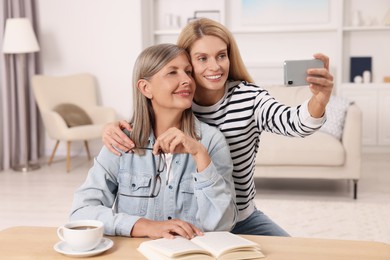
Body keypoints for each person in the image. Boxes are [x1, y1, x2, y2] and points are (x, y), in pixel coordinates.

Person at [102, 18, 334, 236]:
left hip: (240, 216)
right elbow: (147, 118)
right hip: (194, 218)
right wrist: (112, 128)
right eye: (202, 58)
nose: (215, 66)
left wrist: (319, 100)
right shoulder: (180, 98)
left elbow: (295, 123)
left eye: (221, 56)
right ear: (187, 61)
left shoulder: (248, 98)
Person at [70, 43, 237, 239]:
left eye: (188, 72)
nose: (187, 80)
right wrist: (145, 226)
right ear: (145, 88)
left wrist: (200, 155)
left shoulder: (210, 141)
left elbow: (224, 224)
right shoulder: (121, 140)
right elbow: (81, 212)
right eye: (172, 73)